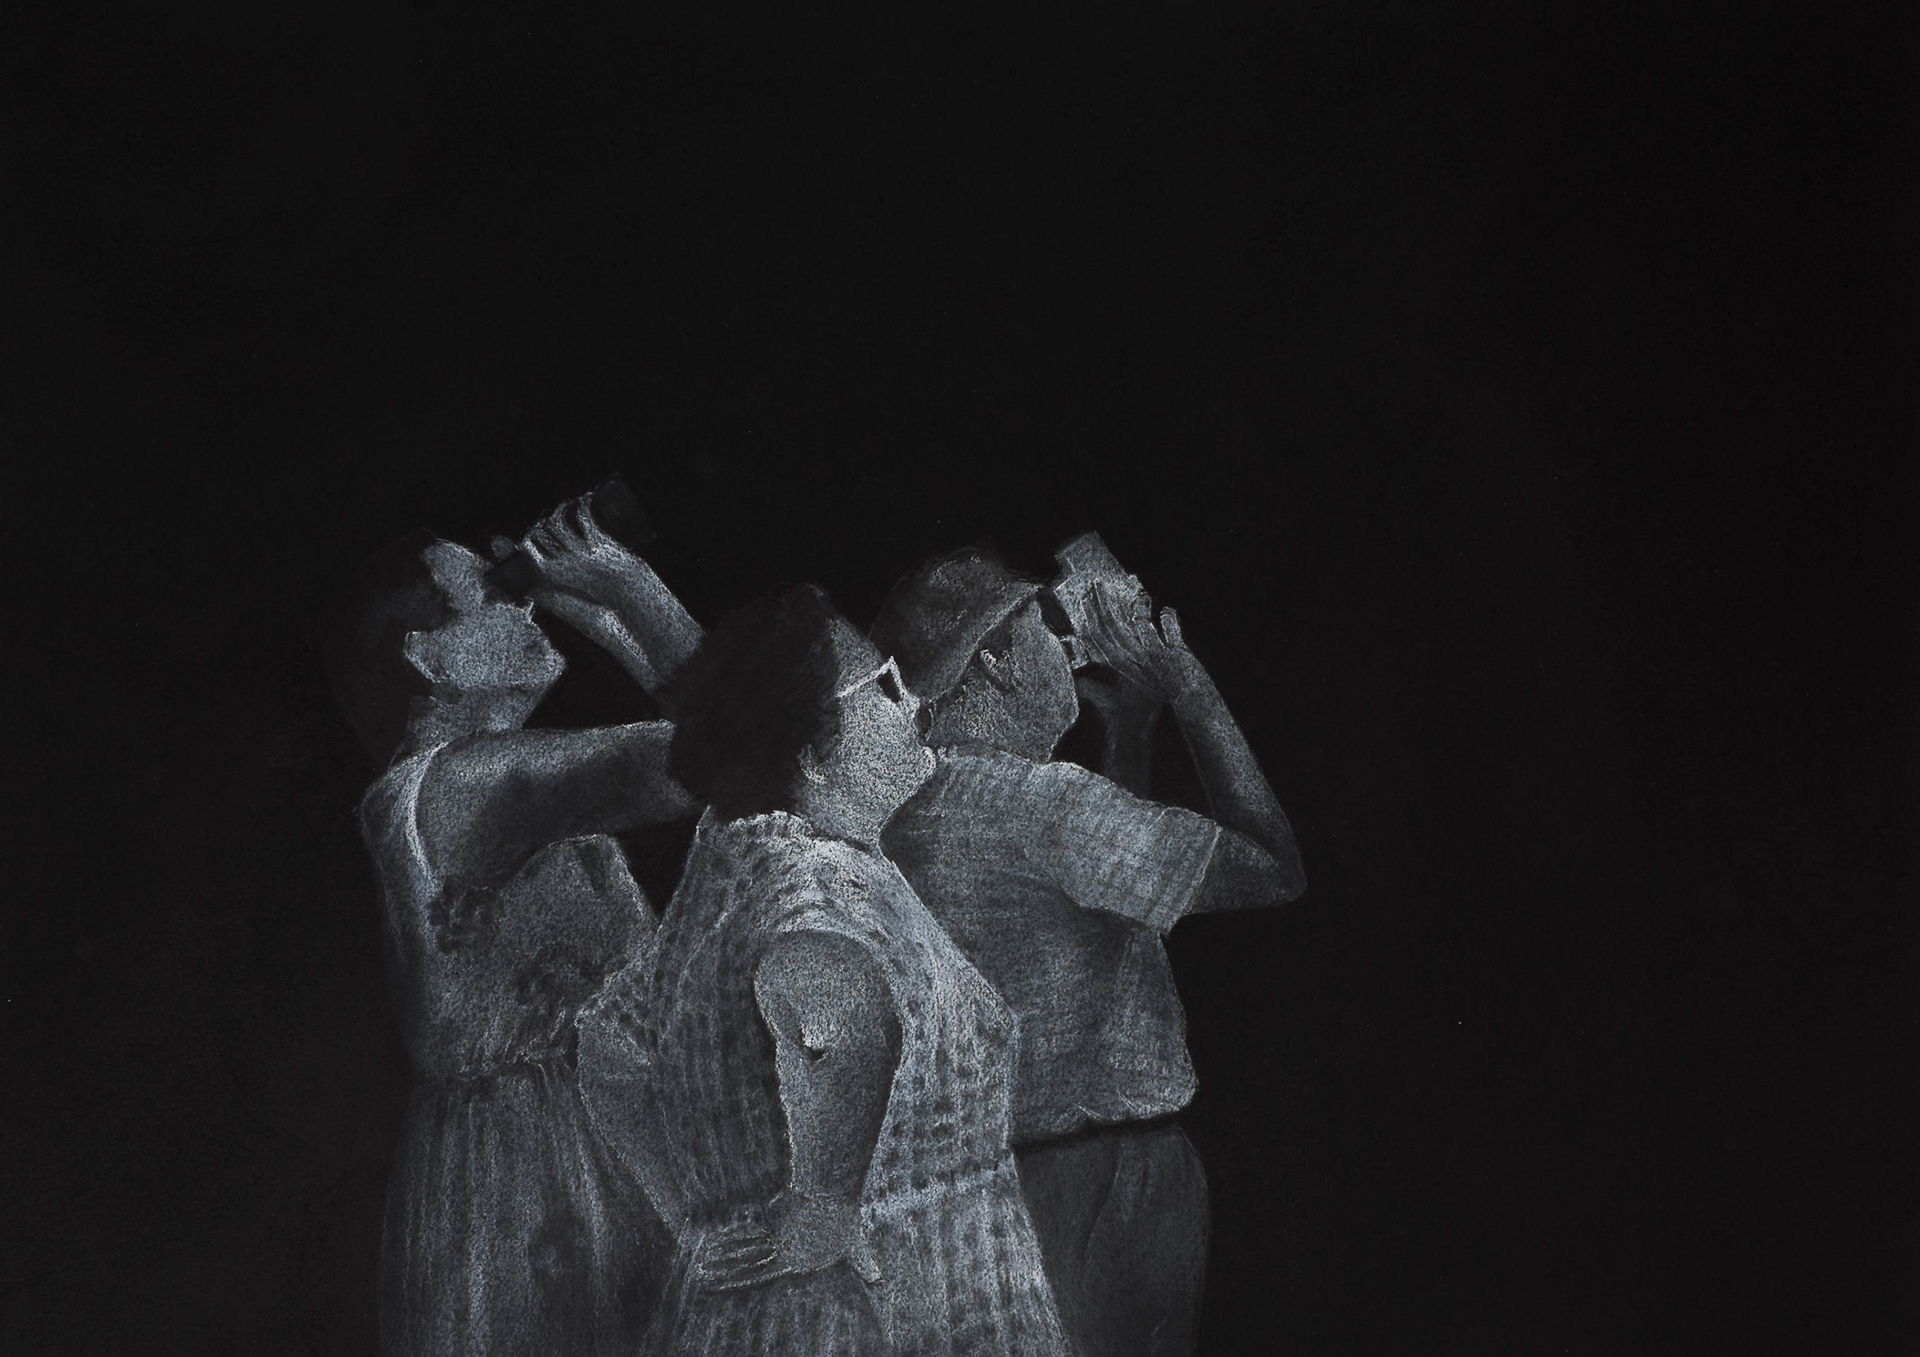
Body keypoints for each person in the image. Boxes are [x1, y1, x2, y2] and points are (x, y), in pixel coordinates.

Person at [871, 544, 1307, 1357]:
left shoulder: (906, 803)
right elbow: (1272, 866)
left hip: (980, 1185)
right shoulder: (1045, 804)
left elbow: (1106, 895)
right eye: (1045, 628)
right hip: (1105, 1182)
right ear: (996, 661)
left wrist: (1130, 735)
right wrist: (1189, 687)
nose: (1067, 651)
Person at [631, 584, 1072, 1357]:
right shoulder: (818, 883)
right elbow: (834, 1011)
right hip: (894, 1305)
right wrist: (822, 1203)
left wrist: (694, 1216)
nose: (914, 703)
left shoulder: (749, 856)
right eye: (885, 687)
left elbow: (610, 1049)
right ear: (816, 753)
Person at [331, 519, 700, 1357]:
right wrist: (630, 592)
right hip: (559, 1178)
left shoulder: (448, 783)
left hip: (541, 1162)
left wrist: (608, 621)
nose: (528, 605)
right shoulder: (473, 783)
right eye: (492, 596)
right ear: (427, 655)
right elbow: (737, 752)